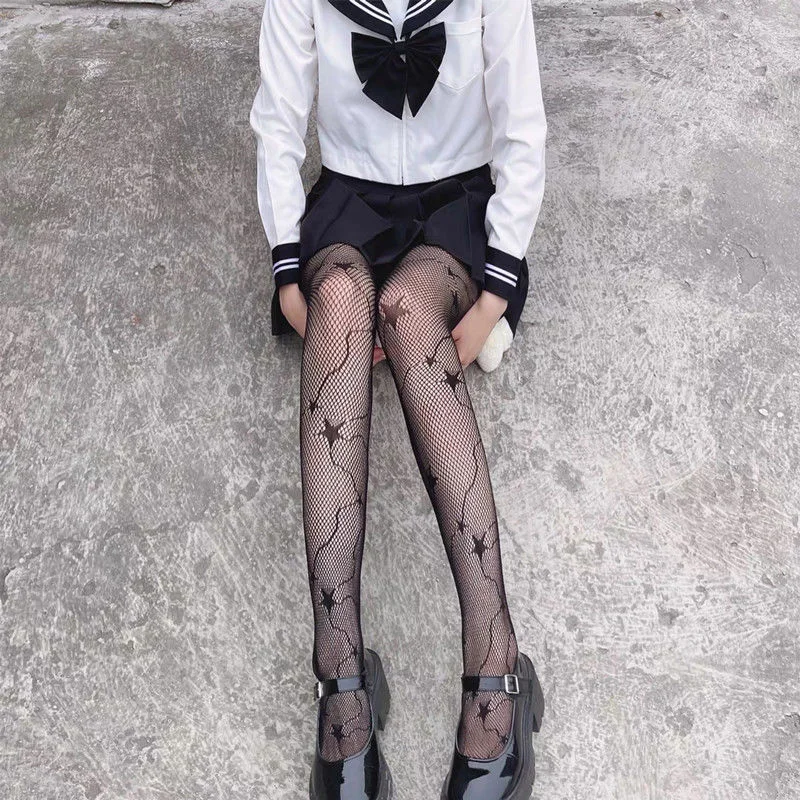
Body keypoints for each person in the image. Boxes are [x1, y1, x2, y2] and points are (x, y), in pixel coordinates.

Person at [249, 0, 547, 795]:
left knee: (409, 311)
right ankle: (341, 676)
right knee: (344, 299)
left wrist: (492, 297)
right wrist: (291, 280)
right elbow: (278, 123)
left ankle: (497, 666)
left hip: (457, 209)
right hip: (351, 202)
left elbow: (523, 127)